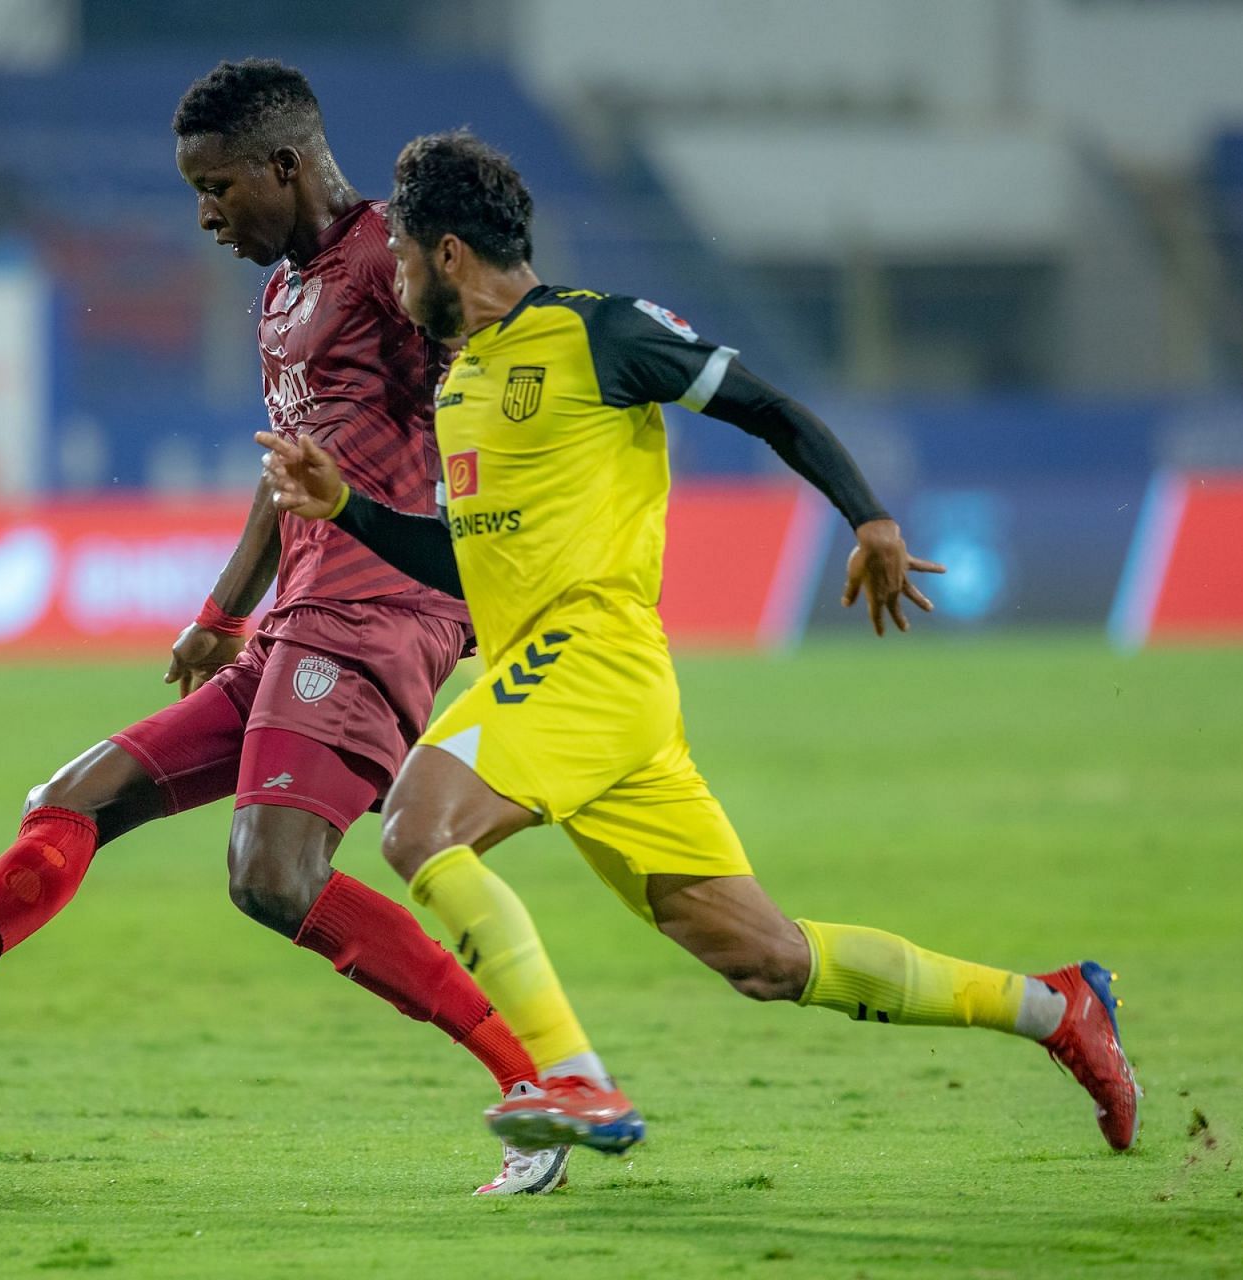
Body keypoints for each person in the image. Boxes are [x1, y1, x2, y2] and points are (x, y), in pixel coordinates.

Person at [0, 64, 569, 1196]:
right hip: (298, 618)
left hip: (383, 614)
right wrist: (224, 611)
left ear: (285, 165)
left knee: (272, 873)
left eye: (217, 186)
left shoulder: (393, 255)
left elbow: (512, 366)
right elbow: (289, 476)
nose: (205, 215)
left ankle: (545, 1091)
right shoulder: (281, 300)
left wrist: (509, 552)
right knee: (74, 796)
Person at [258, 130, 1139, 1157]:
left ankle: (576, 1080)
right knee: (765, 956)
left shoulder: (602, 332)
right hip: (569, 694)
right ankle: (1056, 1006)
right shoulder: (462, 383)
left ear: (448, 254)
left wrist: (870, 518)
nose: (397, 280)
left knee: (416, 823)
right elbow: (472, 558)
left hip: (593, 661)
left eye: (404, 257)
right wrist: (351, 507)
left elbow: (765, 405)